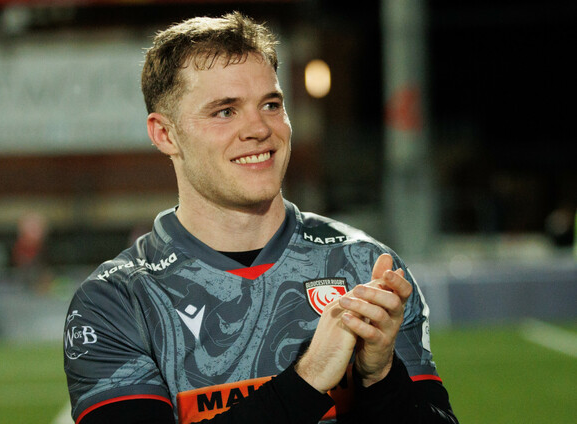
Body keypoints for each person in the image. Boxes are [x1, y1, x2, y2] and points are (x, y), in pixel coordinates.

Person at [64, 12, 458, 424]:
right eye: (225, 111)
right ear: (165, 134)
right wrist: (308, 380)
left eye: (271, 105)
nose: (259, 129)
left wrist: (380, 376)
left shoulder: (365, 266)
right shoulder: (118, 301)